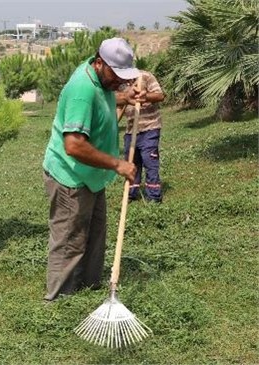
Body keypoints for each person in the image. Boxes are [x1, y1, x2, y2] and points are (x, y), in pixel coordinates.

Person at [41, 37, 143, 301]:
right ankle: (59, 300)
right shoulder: (81, 90)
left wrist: (124, 97)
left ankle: (88, 289)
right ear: (100, 62)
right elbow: (74, 145)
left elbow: (104, 97)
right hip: (70, 177)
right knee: (70, 240)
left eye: (124, 76)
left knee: (94, 235)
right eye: (117, 75)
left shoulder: (99, 80)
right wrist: (117, 164)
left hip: (91, 176)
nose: (120, 81)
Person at [116, 70, 165, 202]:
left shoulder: (145, 76)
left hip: (150, 127)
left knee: (150, 161)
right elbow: (120, 106)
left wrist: (146, 96)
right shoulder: (119, 82)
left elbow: (160, 95)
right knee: (132, 162)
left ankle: (154, 196)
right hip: (131, 131)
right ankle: (131, 193)